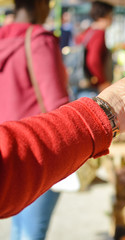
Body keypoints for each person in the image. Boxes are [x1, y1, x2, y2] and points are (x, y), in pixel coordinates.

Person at [0, 69, 125, 219]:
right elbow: (12, 164)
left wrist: (109, 111)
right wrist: (104, 112)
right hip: (37, 127)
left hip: (19, 123)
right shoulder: (40, 39)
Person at [0, 0, 70, 239]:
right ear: (40, 4)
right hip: (37, 148)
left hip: (6, 147)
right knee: (33, 231)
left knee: (19, 228)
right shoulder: (39, 40)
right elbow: (57, 104)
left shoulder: (2, 38)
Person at [73, 1, 114, 99]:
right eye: (111, 15)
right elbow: (93, 60)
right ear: (104, 16)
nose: (112, 19)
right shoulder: (99, 33)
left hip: (82, 82)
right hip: (93, 87)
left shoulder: (88, 31)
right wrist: (102, 82)